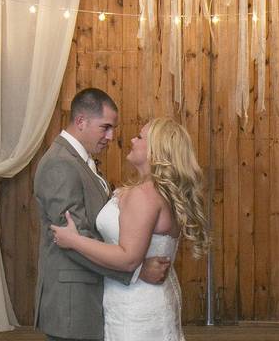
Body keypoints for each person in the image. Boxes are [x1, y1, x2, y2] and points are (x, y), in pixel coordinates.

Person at [51, 117, 209, 341]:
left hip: (135, 305)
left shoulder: (144, 194)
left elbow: (128, 259)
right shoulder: (161, 192)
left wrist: (74, 240)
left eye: (140, 137)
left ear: (155, 150)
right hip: (153, 298)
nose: (132, 140)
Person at [33, 88, 171, 341]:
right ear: (81, 121)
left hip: (94, 296)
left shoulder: (80, 160)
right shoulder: (60, 164)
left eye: (113, 129)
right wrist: (137, 271)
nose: (111, 136)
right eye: (105, 127)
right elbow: (70, 238)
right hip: (73, 303)